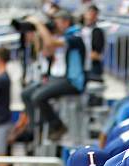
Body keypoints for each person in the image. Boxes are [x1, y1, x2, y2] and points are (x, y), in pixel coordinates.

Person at [22, 10, 86, 140]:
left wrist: (39, 24)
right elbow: (46, 50)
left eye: (57, 22)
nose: (54, 25)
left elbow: (51, 43)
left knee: (37, 97)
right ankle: (35, 127)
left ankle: (57, 126)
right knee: (26, 93)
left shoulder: (76, 36)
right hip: (57, 78)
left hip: (72, 81)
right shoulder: (60, 37)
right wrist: (38, 32)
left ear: (66, 22)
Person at [81, 4, 105, 81]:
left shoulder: (97, 32)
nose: (90, 16)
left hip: (92, 68)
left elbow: (96, 54)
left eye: (93, 14)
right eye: (89, 13)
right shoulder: (79, 29)